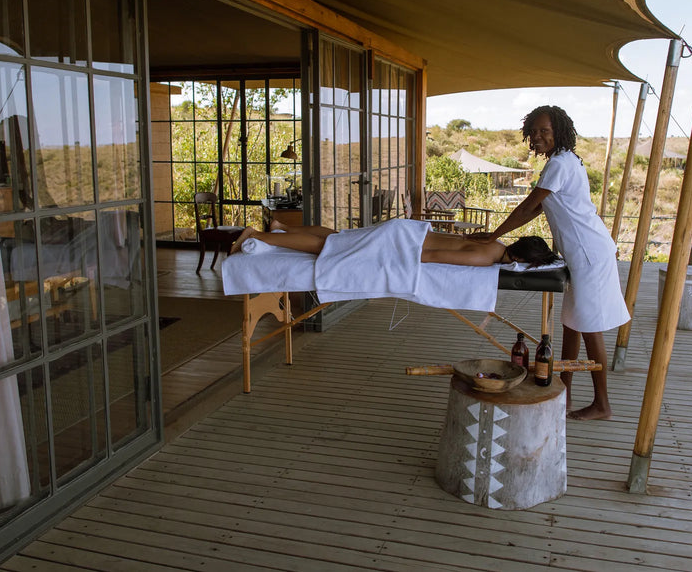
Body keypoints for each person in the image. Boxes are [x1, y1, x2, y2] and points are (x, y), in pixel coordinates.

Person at [473, 105, 630, 420]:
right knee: (571, 324)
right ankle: (565, 393)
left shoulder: (559, 164)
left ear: (558, 131)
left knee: (590, 328)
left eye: (544, 130)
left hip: (588, 253)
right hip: (583, 251)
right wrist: (497, 234)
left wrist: (493, 236)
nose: (538, 136)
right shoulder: (565, 162)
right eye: (533, 131)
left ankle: (602, 404)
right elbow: (537, 209)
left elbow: (526, 207)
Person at [231, 219, 559, 268]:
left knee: (336, 236)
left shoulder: (494, 240)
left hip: (405, 230)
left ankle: (281, 227)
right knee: (329, 248)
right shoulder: (487, 257)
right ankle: (256, 235)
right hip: (400, 243)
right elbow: (431, 255)